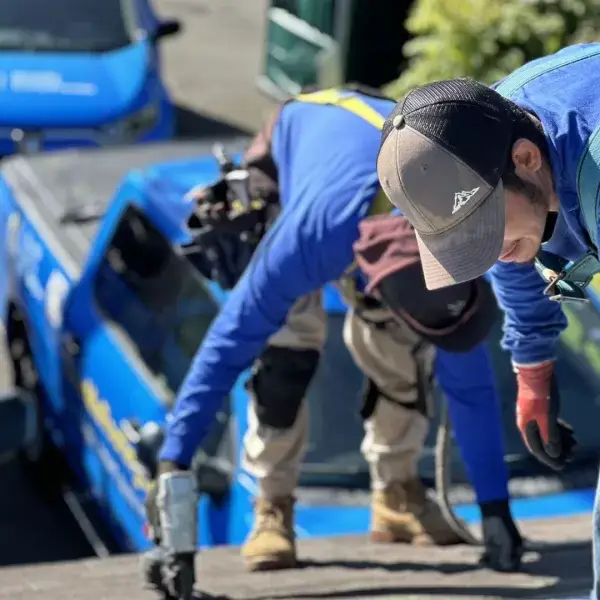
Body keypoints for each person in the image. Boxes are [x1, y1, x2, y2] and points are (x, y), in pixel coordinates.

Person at [143, 87, 523, 594]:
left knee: (400, 350)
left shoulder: (456, 235)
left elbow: (468, 384)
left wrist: (496, 510)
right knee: (286, 352)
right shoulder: (308, 238)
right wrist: (173, 466)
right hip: (307, 150)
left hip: (387, 176)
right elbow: (225, 349)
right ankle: (271, 505)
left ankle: (396, 495)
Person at [375, 42, 600, 597]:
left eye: (485, 226)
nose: (488, 250)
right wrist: (533, 368)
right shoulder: (480, 129)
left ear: (526, 159)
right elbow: (512, 256)